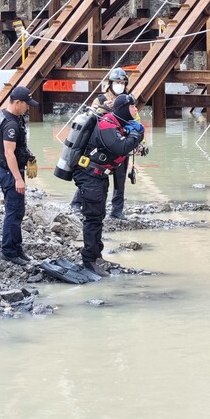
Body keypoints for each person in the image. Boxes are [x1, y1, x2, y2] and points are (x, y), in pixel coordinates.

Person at [73, 93, 144, 277]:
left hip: (99, 175)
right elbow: (120, 148)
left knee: (99, 215)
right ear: (123, 109)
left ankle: (97, 255)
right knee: (93, 217)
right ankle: (89, 260)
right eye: (133, 107)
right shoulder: (107, 123)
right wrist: (136, 134)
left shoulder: (118, 123)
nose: (136, 110)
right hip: (89, 174)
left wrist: (134, 135)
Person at [71, 67, 131, 219]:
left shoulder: (128, 99)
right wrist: (104, 108)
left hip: (121, 144)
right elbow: (90, 117)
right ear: (110, 83)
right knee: (93, 174)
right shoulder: (101, 100)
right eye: (117, 82)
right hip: (102, 145)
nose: (120, 85)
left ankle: (117, 210)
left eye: (122, 82)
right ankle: (77, 203)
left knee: (120, 178)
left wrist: (138, 142)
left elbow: (134, 121)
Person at [0, 86, 38, 266]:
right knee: (14, 211)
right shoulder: (11, 124)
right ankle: (9, 251)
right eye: (26, 105)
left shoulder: (4, 114)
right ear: (17, 103)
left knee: (18, 209)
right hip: (11, 172)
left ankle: (17, 248)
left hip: (6, 169)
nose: (28, 108)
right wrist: (18, 178)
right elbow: (9, 153)